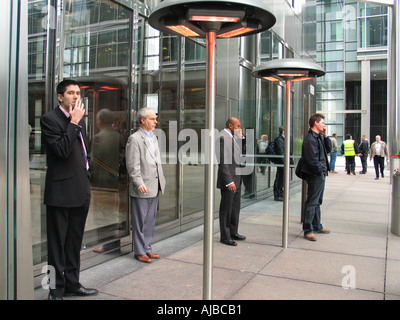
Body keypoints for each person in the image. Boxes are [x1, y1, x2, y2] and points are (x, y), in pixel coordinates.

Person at [40, 79, 98, 300]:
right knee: (56, 246)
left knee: (74, 243)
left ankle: (73, 284)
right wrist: (73, 123)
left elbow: (82, 151)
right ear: (60, 97)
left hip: (80, 190)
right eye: (71, 93)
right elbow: (61, 151)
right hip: (60, 193)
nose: (76, 97)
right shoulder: (50, 119)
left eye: (78, 93)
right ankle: (54, 291)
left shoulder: (79, 120)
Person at [126, 107, 166, 263]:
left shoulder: (153, 137)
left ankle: (147, 248)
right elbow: (132, 165)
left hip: (155, 185)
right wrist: (138, 182)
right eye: (152, 119)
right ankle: (139, 251)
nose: (156, 121)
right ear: (143, 121)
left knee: (150, 220)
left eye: (155, 118)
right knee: (139, 221)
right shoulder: (135, 139)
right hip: (142, 187)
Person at [298, 113, 331, 241]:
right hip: (315, 174)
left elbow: (328, 150)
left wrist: (325, 136)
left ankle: (317, 225)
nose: (324, 124)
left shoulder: (318, 137)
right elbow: (311, 160)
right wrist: (319, 172)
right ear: (316, 123)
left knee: (317, 201)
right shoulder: (310, 139)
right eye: (322, 122)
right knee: (312, 202)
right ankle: (308, 230)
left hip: (320, 173)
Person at [216, 117, 246, 246]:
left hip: (237, 178)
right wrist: (229, 181)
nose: (240, 128)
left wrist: (242, 141)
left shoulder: (233, 138)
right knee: (226, 209)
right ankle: (225, 236)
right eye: (238, 126)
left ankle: (233, 232)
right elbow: (223, 162)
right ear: (230, 125)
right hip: (230, 181)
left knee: (235, 208)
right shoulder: (222, 138)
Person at [273, 126, 285, 201]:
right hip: (281, 163)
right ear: (283, 131)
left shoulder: (283, 139)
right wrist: (284, 162)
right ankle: (277, 194)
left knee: (282, 178)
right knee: (279, 178)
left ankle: (281, 193)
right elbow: (280, 151)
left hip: (283, 162)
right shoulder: (279, 140)